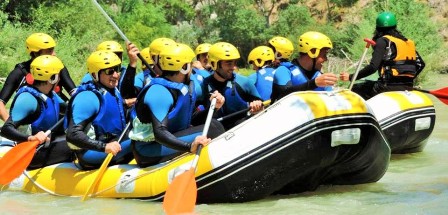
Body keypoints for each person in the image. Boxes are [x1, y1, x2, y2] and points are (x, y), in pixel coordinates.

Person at [129, 43, 225, 168]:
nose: (193, 68)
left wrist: (214, 107)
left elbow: (191, 118)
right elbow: (160, 133)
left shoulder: (181, 87)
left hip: (170, 138)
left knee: (214, 124)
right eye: (190, 64)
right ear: (184, 67)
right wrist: (189, 147)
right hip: (148, 150)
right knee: (214, 128)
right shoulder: (159, 91)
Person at [0, 55, 74, 169]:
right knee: (76, 145)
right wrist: (30, 138)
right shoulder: (27, 99)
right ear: (52, 78)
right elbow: (5, 129)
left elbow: (70, 109)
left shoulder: (50, 95)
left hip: (47, 146)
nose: (60, 79)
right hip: (31, 154)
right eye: (59, 75)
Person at [65, 50, 133, 170]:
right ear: (95, 74)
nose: (116, 75)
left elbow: (111, 108)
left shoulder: (112, 90)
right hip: (91, 153)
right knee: (139, 142)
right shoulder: (87, 97)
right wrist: (104, 147)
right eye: (109, 71)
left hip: (114, 141)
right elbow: (73, 134)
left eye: (117, 69)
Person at [340, 12, 425, 100]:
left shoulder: (383, 41)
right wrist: (406, 80)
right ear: (395, 26)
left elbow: (373, 67)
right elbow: (421, 64)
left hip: (386, 87)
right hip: (408, 86)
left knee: (355, 88)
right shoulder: (407, 42)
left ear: (377, 28)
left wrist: (351, 77)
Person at [0, 33, 76, 122]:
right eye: (49, 50)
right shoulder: (19, 73)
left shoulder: (58, 68)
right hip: (32, 128)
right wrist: (11, 126)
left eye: (53, 50)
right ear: (36, 53)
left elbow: (75, 93)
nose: (54, 54)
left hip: (59, 121)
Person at [201, 42, 264, 130]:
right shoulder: (204, 85)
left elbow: (263, 108)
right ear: (214, 64)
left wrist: (258, 107)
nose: (234, 67)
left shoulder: (244, 82)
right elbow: (195, 117)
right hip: (217, 132)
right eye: (229, 63)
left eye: (235, 63)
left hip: (242, 127)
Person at [270, 31, 338, 103]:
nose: (326, 59)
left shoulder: (320, 76)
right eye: (324, 55)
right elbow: (284, 93)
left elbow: (331, 101)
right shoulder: (283, 70)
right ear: (313, 52)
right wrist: (314, 84)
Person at [81, 41, 140, 109]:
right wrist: (124, 102)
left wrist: (132, 64)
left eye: (118, 55)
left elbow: (127, 94)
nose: (114, 59)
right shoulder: (90, 77)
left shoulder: (122, 71)